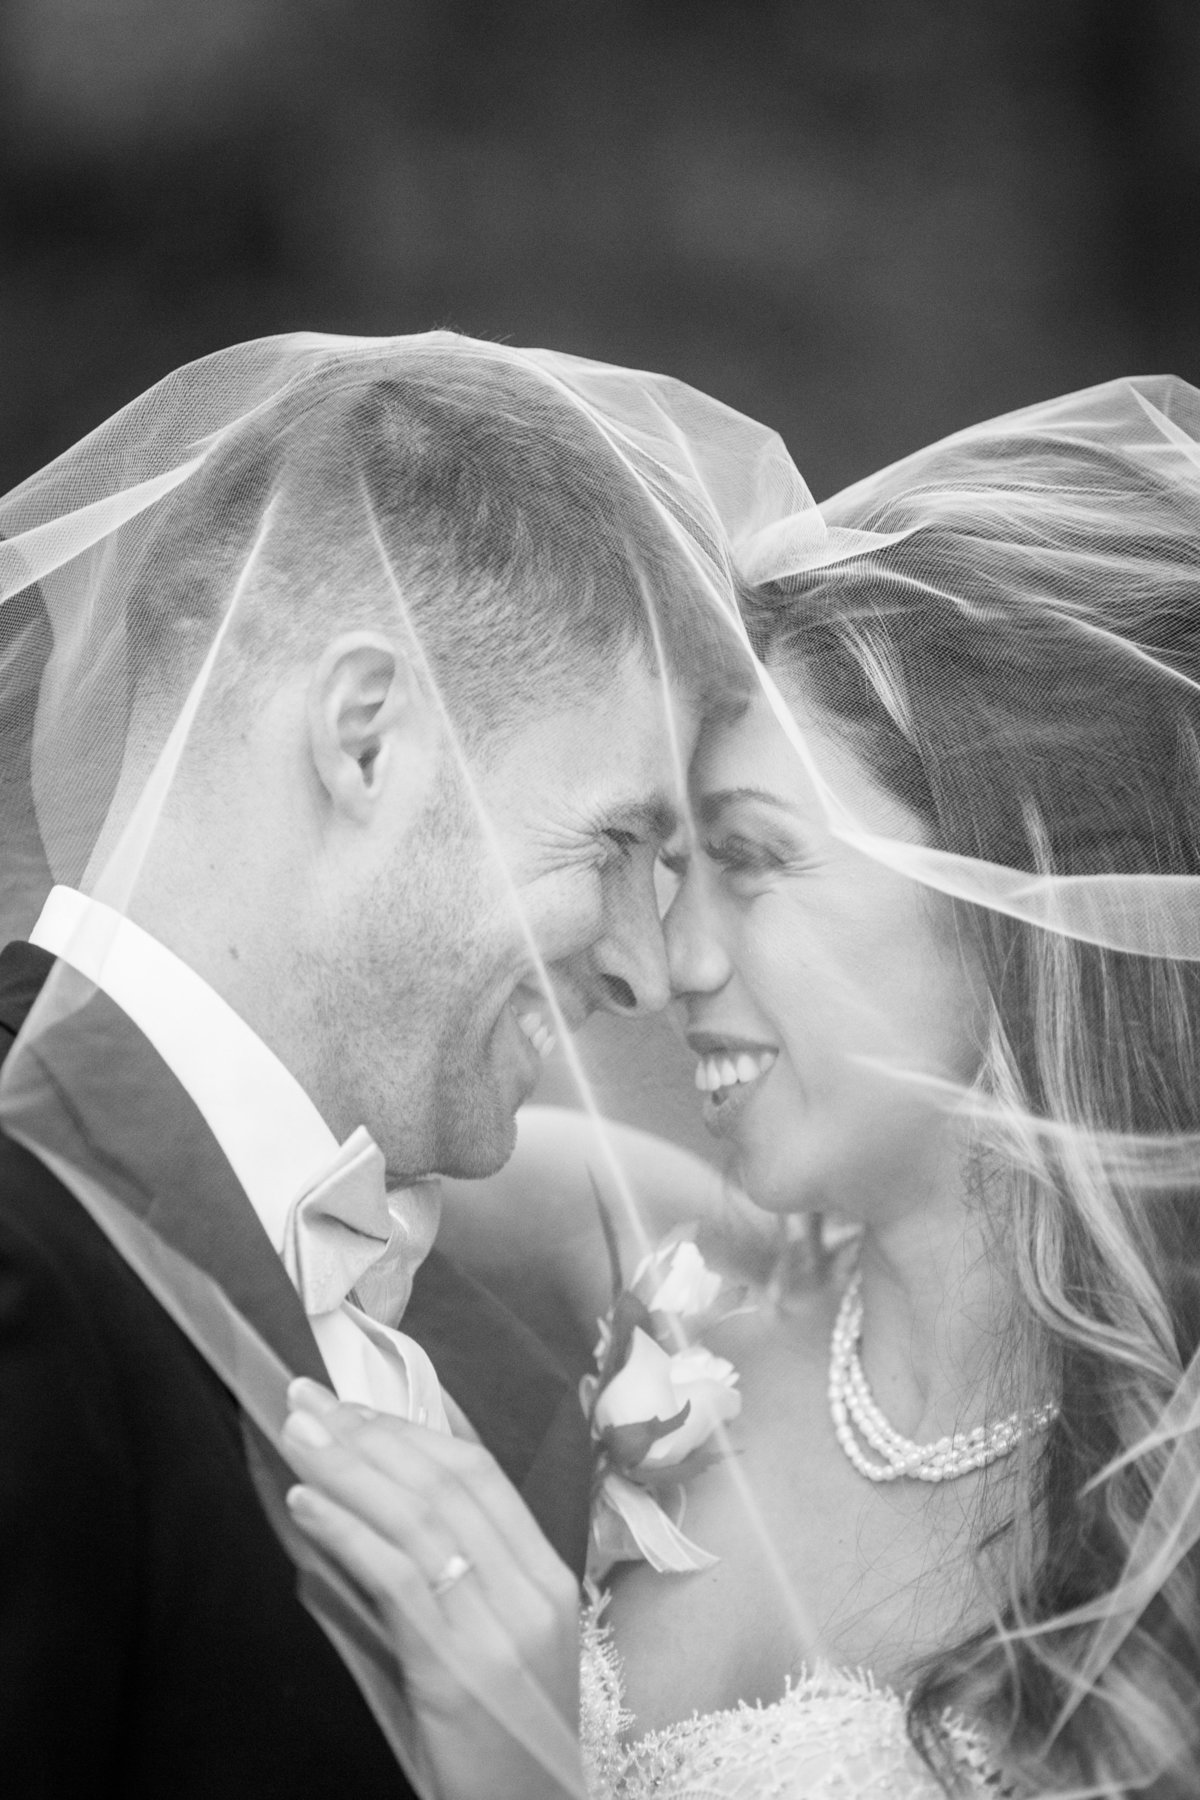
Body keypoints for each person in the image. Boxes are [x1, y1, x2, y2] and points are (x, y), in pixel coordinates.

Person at [281, 375, 1200, 1798]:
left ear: (1017, 895)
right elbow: (221, 1109)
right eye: (664, 869)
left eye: (754, 860)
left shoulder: (1172, 1513)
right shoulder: (649, 1283)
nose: (668, 960)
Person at [0, 332, 751, 1798]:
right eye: (615, 844)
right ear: (364, 739)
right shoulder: (23, 1270)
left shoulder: (488, 1324)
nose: (648, 969)